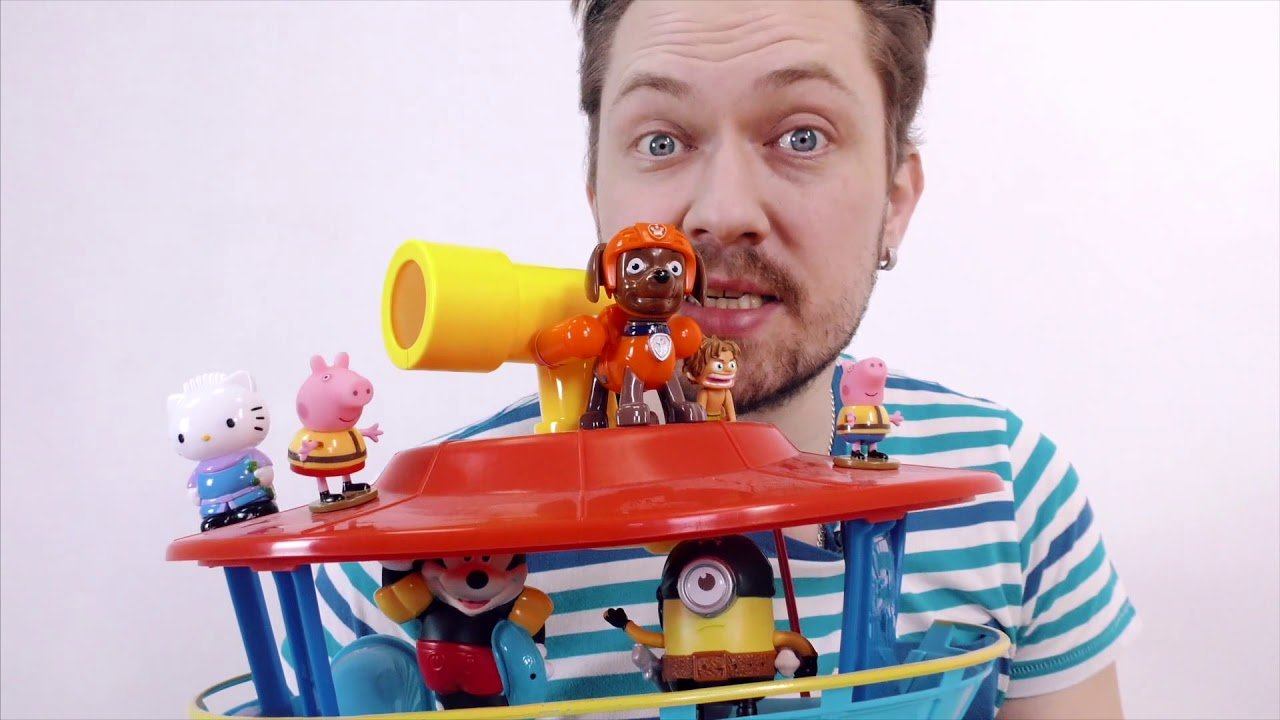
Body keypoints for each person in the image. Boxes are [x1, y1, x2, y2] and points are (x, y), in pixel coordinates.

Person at [316, 2, 1137, 717]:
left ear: (894, 202)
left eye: (803, 135)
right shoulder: (402, 538)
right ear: (597, 195)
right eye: (661, 140)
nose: (722, 211)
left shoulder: (1011, 489)